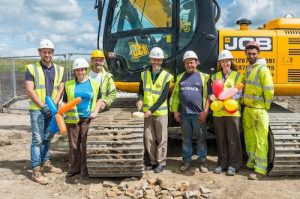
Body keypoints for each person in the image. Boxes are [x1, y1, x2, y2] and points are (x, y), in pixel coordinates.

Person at [25, 39, 64, 185]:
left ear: (52, 53)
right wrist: (42, 105)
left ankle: (45, 162)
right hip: (37, 110)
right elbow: (29, 89)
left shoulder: (59, 69)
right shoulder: (31, 68)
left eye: (49, 52)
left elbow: (60, 88)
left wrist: (53, 104)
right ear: (40, 52)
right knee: (37, 140)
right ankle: (36, 169)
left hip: (51, 110)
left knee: (48, 137)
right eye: (44, 51)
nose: (47, 54)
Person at [170, 50, 211, 173]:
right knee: (186, 139)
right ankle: (187, 161)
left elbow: (209, 96)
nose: (189, 65)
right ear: (184, 64)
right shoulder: (181, 77)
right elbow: (176, 95)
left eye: (191, 62)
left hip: (199, 115)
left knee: (201, 139)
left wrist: (206, 111)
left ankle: (202, 162)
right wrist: (175, 111)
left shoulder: (204, 77)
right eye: (187, 63)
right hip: (185, 115)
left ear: (196, 63)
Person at [63, 58, 103, 181]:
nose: (80, 72)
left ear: (86, 70)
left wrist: (95, 111)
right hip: (72, 118)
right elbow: (65, 100)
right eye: (77, 70)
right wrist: (62, 108)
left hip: (87, 118)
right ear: (74, 71)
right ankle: (74, 169)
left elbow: (99, 99)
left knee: (85, 145)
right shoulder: (69, 84)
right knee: (74, 145)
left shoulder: (94, 84)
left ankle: (85, 171)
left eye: (82, 70)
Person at [136, 47, 173, 173]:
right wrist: (140, 99)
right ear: (150, 60)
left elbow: (163, 96)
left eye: (158, 60)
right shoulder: (144, 74)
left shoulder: (166, 76)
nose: (156, 62)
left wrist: (152, 109)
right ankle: (152, 162)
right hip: (147, 113)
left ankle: (161, 163)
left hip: (160, 112)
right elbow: (141, 91)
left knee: (161, 138)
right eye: (154, 60)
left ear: (162, 61)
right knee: (149, 138)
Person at [242, 41, 274, 180]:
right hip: (248, 109)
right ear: (246, 54)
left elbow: (269, 90)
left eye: (254, 54)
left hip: (259, 110)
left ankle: (260, 170)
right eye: (249, 54)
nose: (251, 56)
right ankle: (252, 162)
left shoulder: (262, 69)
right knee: (250, 138)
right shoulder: (249, 68)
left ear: (258, 54)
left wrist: (265, 107)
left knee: (261, 140)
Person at [211, 50, 244, 176]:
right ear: (220, 63)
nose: (225, 63)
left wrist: (227, 99)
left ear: (231, 62)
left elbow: (239, 93)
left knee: (233, 139)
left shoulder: (237, 75)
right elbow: (212, 92)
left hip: (232, 113)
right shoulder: (215, 76)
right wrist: (215, 97)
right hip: (218, 113)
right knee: (221, 139)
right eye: (223, 61)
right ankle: (222, 164)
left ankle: (234, 165)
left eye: (227, 61)